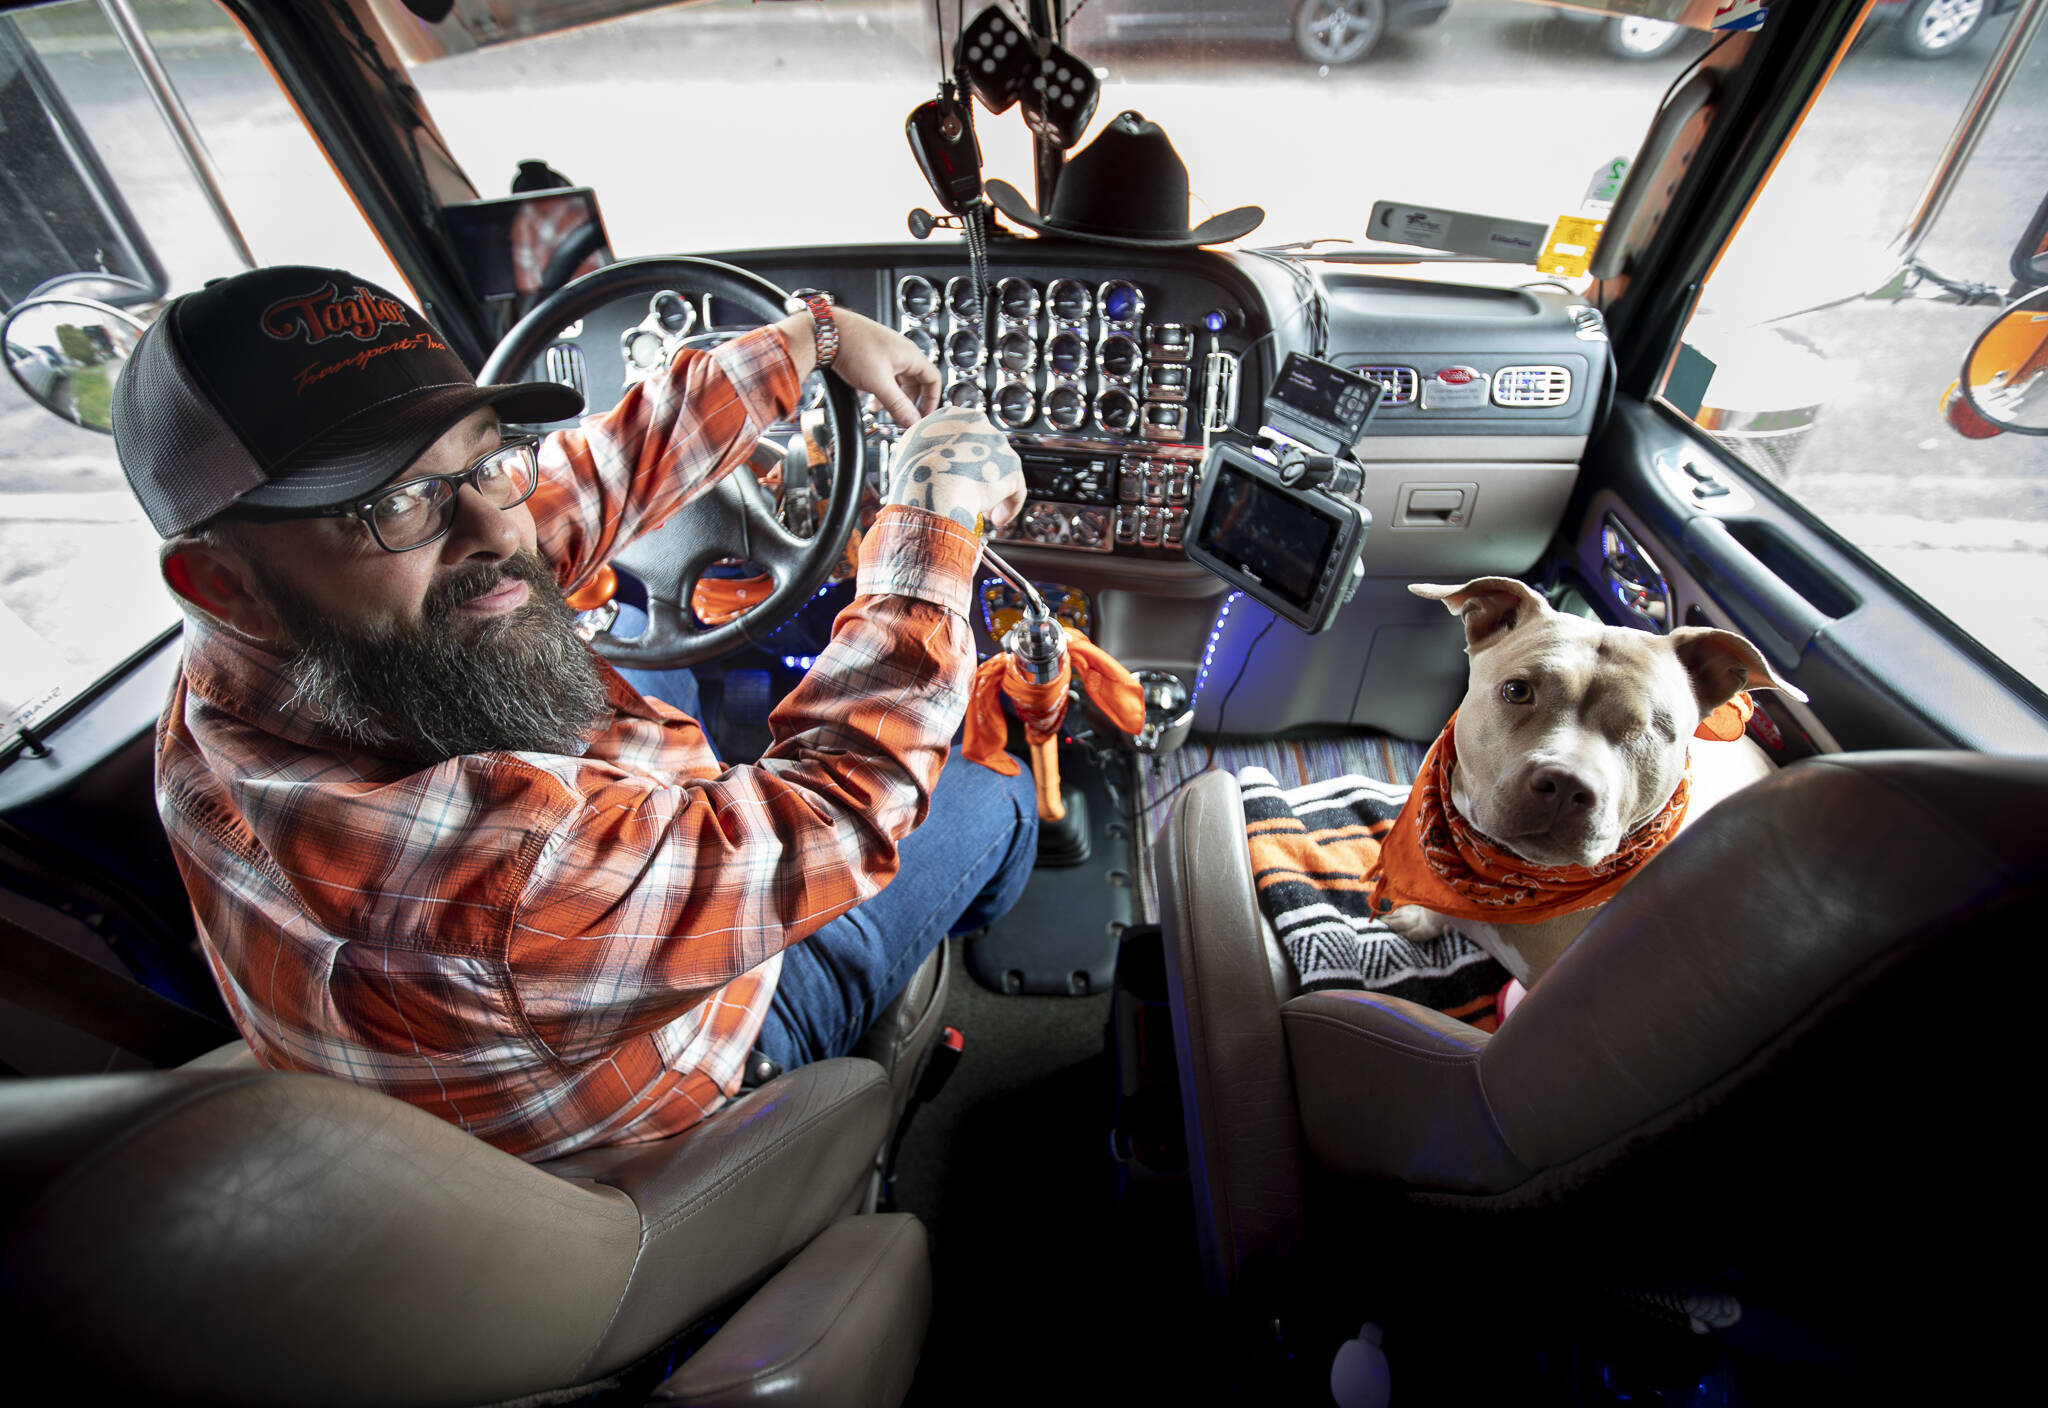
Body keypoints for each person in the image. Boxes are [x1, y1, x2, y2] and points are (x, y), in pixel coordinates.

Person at [111, 265, 1036, 1161]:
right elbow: (843, 806)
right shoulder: (497, 881)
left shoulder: (245, 666)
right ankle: (984, 938)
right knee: (990, 788)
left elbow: (570, 495)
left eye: (486, 460)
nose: (501, 531)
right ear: (222, 583)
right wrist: (935, 517)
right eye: (393, 501)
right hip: (694, 1066)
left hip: (497, 1050)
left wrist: (811, 340)